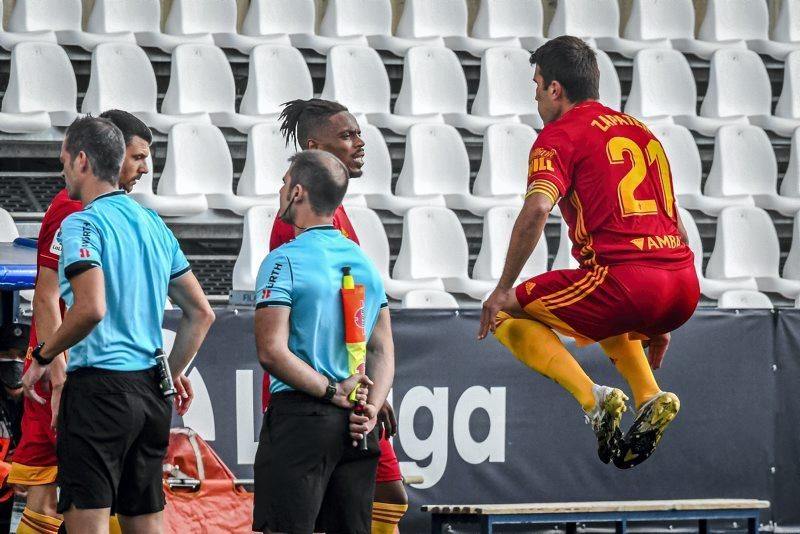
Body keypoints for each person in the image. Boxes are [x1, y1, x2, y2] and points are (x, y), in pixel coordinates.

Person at [479, 36, 700, 470]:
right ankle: (650, 395)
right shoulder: (641, 131)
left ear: (555, 89)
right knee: (597, 308)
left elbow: (538, 208)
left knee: (502, 312)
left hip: (626, 283)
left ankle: (595, 400)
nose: (537, 95)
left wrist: (502, 288)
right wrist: (659, 315)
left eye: (537, 85)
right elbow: (673, 218)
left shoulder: (558, 136)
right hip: (682, 284)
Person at [22, 116, 215, 533]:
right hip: (150, 396)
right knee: (145, 523)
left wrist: (45, 355)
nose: (62, 170)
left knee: (83, 520)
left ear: (83, 161)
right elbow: (201, 313)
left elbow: (90, 308)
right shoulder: (154, 223)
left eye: (64, 161)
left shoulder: (80, 222)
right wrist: (168, 374)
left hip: (97, 393)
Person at [266, 98, 408, 532]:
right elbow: (304, 325)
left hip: (351, 391)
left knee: (383, 497)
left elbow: (360, 317)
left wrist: (372, 390)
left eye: (358, 133)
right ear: (315, 146)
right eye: (347, 136)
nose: (360, 143)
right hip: (314, 397)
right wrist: (344, 388)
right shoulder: (293, 226)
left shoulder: (336, 218)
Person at [10, 110, 153, 534]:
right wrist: (58, 374)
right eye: (137, 156)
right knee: (47, 492)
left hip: (100, 378)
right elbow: (47, 296)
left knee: (100, 492)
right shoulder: (71, 209)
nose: (144, 168)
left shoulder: (120, 213)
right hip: (67, 371)